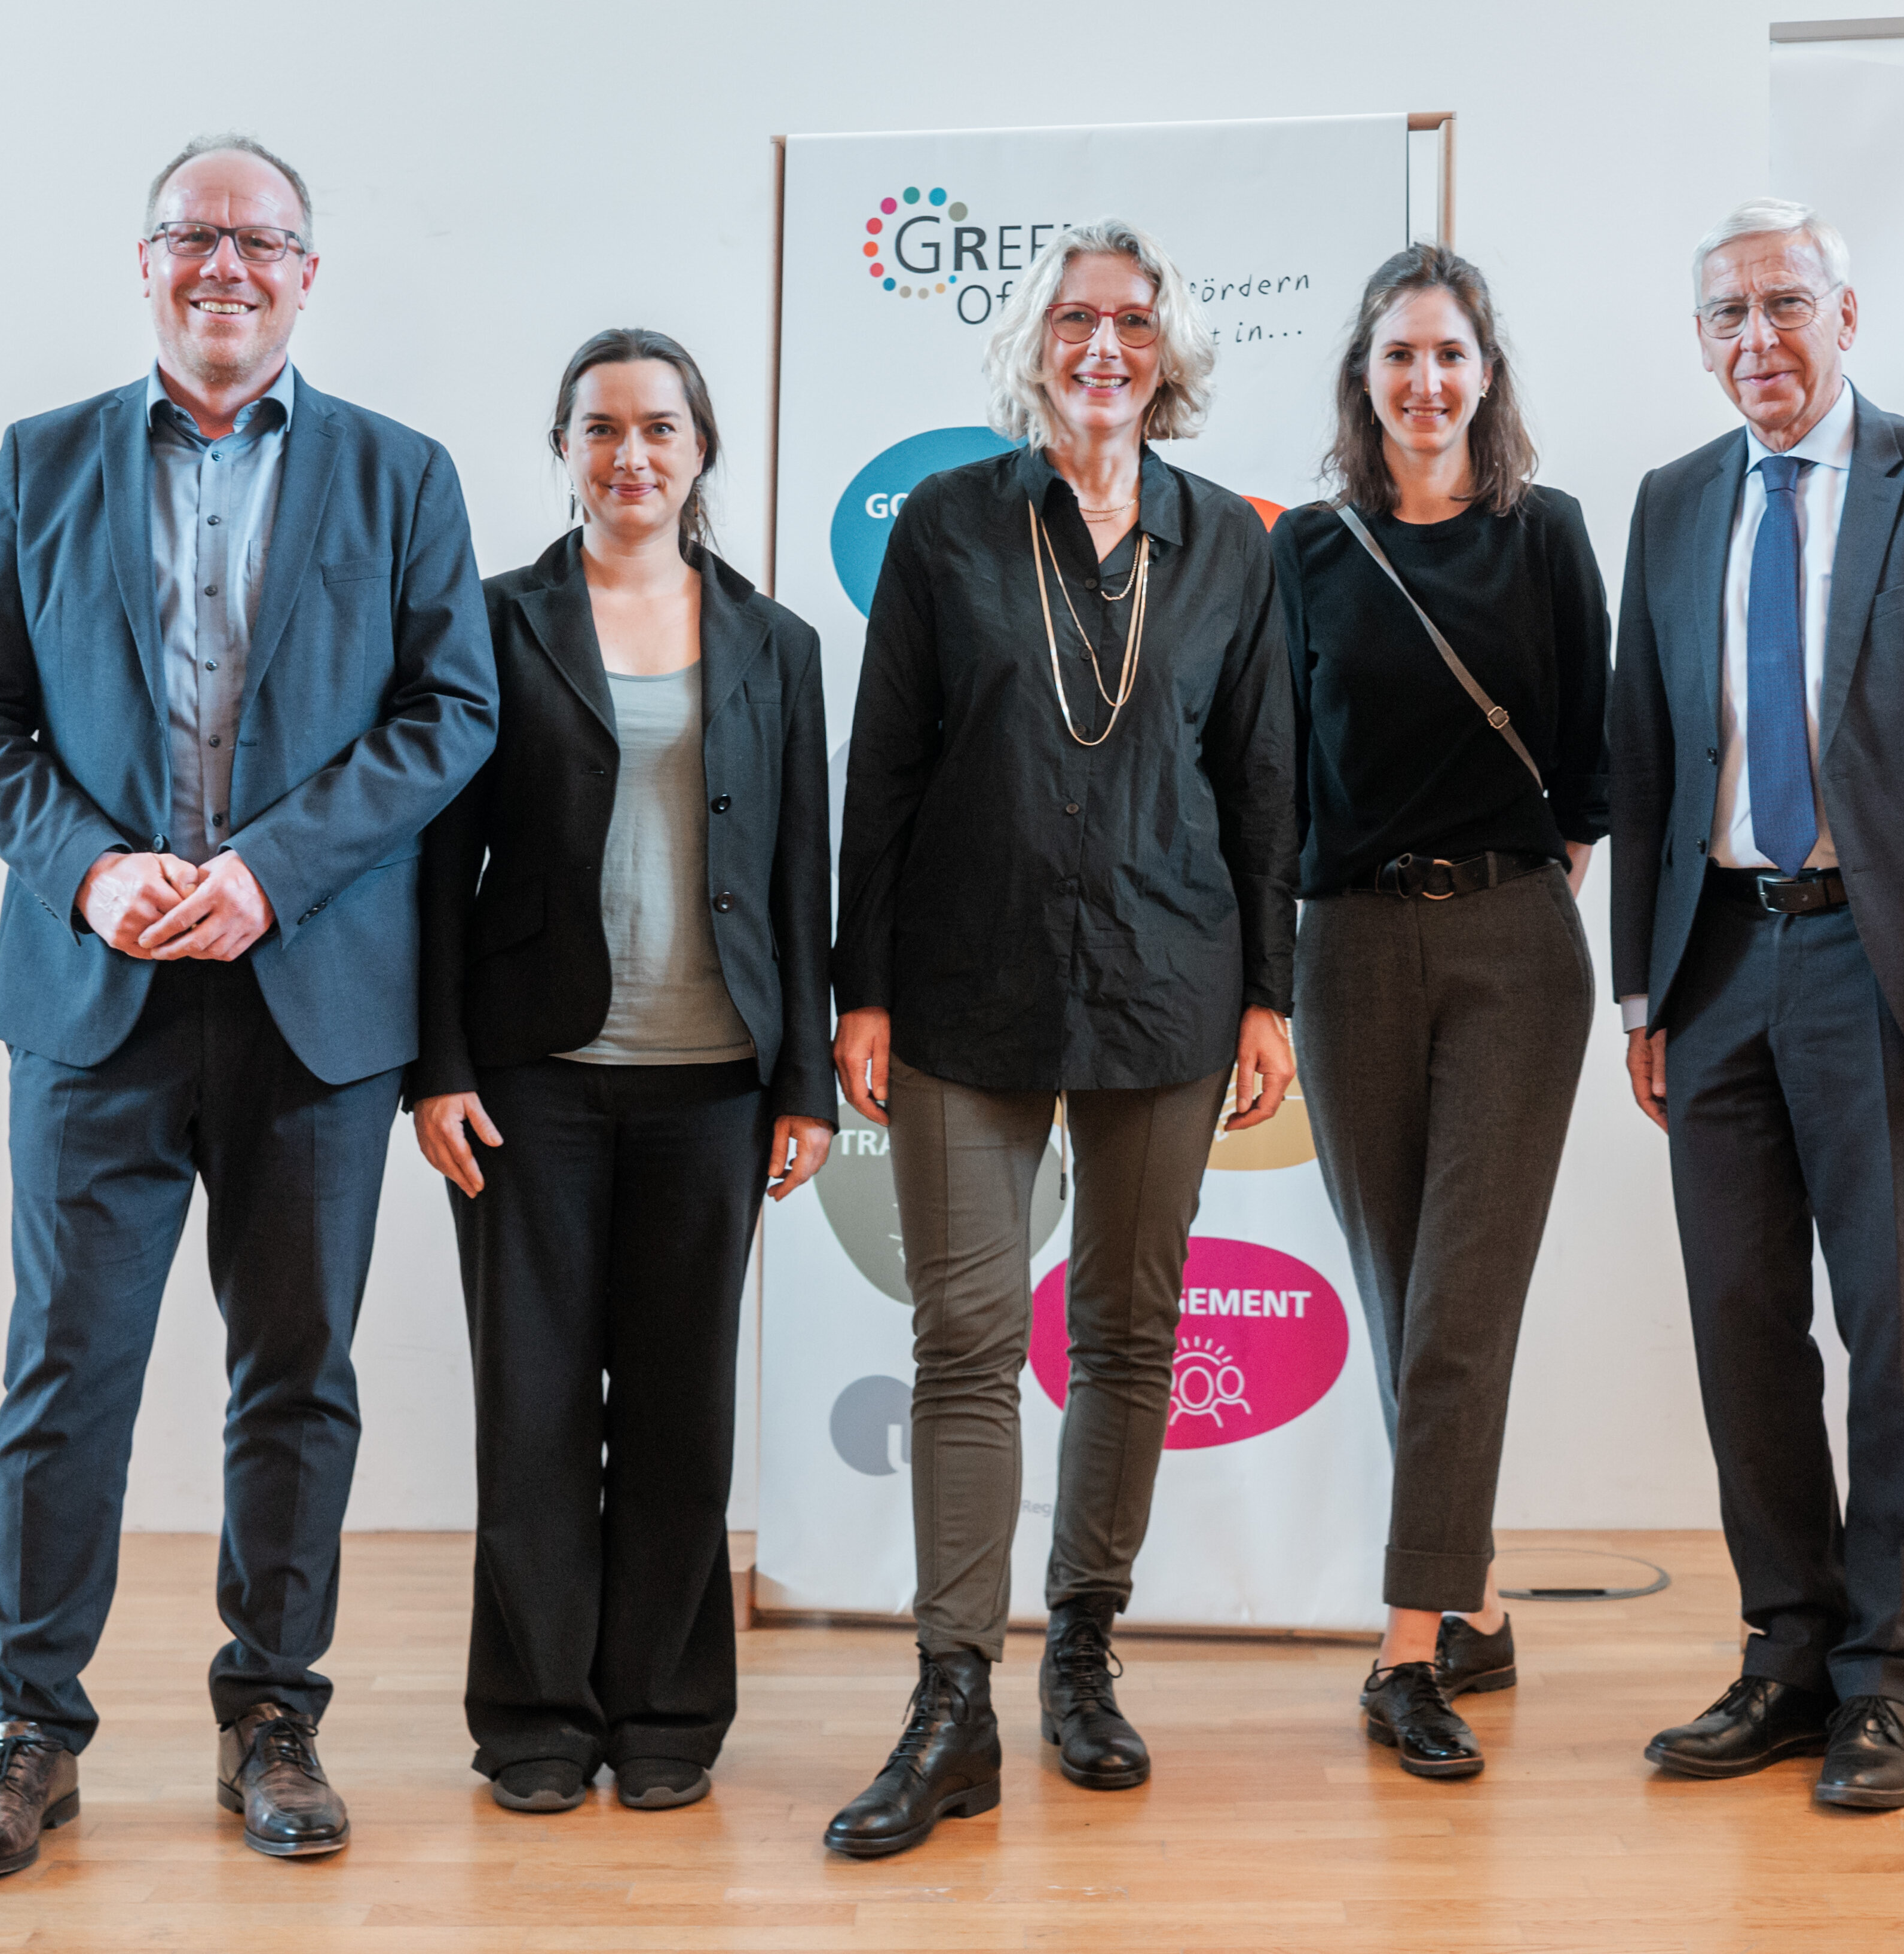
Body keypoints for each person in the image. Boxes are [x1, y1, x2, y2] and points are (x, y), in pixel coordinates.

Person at [0, 133, 496, 1876]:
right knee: (64, 1369)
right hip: (93, 994)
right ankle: (28, 1729)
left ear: (308, 275)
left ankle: (274, 1717)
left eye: (260, 240)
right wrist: (90, 871)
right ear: (147, 259)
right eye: (194, 234)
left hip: (311, 1001)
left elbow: (450, 712)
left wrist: (268, 872)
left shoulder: (402, 473)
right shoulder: (42, 462)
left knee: (295, 1373)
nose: (224, 263)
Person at [824, 216, 1298, 1857]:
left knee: (1127, 1333)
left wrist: (1271, 991)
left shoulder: (1228, 545)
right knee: (963, 1333)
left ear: (1168, 353)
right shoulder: (947, 525)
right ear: (1034, 344)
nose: (1104, 346)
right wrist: (861, 986)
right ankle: (950, 1695)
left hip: (1171, 981)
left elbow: (1263, 782)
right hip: (963, 982)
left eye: (1133, 322)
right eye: (1075, 319)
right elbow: (882, 766)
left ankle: (1081, 1652)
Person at [1608, 198, 1904, 1811]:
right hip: (1719, 963)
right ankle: (1785, 1654)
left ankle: (1882, 1678)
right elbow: (1644, 756)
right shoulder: (1672, 504)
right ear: (1700, 341)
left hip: (1890, 975)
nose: (1759, 339)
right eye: (1727, 314)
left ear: (1846, 316)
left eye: (1786, 304)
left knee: (1890, 1330)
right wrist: (1641, 987)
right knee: (1740, 1325)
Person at [409, 329, 834, 1818]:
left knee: (678, 1416)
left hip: (713, 1085)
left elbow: (799, 870)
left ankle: (666, 1712)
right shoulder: (488, 623)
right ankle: (535, 1714)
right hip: (528, 1081)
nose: (630, 455)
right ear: (565, 450)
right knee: (530, 1413)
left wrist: (804, 1082)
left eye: (659, 427)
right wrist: (436, 1065)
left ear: (701, 449)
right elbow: (434, 865)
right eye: (601, 428)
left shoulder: (778, 644)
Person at [1271, 244, 1606, 1780]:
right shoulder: (1306, 553)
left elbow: (1591, 768)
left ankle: (1405, 1658)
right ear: (1365, 376)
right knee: (1407, 1299)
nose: (1426, 381)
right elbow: (1277, 773)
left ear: (1487, 374)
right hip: (1346, 945)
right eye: (1399, 354)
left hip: (1516, 949)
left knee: (1463, 1305)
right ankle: (1474, 1607)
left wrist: (1511, 894)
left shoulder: (1550, 536)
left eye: (1451, 354)